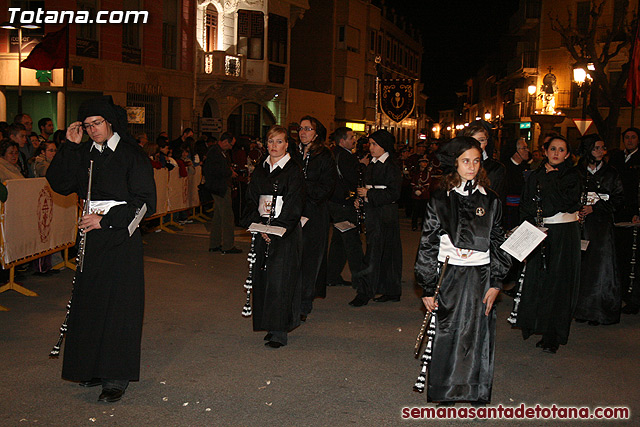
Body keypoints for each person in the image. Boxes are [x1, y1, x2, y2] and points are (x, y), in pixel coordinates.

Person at [46, 95, 157, 403]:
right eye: (86, 125)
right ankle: (92, 366)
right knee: (91, 304)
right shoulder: (84, 153)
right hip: (91, 240)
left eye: (96, 124)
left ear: (110, 122)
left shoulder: (132, 155)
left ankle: (116, 376)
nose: (92, 130)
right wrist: (69, 145)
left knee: (119, 307)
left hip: (120, 239)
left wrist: (106, 219)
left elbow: (146, 201)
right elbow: (59, 183)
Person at [415, 136, 511, 406]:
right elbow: (428, 242)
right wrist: (427, 286)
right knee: (448, 330)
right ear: (455, 163)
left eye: (476, 161)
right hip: (450, 273)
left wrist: (496, 282)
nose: (471, 166)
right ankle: (446, 390)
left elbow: (498, 241)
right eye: (465, 161)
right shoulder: (440, 199)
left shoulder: (491, 200)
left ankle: (475, 390)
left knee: (478, 331)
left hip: (481, 274)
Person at [515, 135, 582, 354]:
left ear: (568, 154)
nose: (556, 153)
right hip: (539, 231)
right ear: (545, 151)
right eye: (553, 149)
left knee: (559, 283)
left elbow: (566, 203)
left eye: (561, 150)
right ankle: (538, 325)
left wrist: (552, 181)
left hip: (564, 234)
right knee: (538, 280)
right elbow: (526, 203)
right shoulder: (535, 175)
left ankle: (553, 333)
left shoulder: (572, 175)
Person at [240, 125, 304, 348]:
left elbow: (295, 204)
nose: (274, 146)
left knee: (281, 281)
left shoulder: (293, 170)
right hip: (262, 230)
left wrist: (275, 228)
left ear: (287, 144)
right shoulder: (260, 169)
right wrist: (258, 226)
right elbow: (250, 199)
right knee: (263, 279)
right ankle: (268, 323)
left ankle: (280, 330)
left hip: (284, 233)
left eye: (279, 142)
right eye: (270, 141)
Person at [574, 134, 624, 326]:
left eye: (603, 148)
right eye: (596, 148)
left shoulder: (611, 173)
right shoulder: (577, 172)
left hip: (601, 227)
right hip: (580, 225)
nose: (601, 152)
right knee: (581, 266)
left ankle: (598, 311)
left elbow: (618, 199)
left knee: (601, 268)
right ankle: (580, 308)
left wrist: (596, 207)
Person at [353, 130, 402, 304]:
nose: (370, 147)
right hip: (374, 211)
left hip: (385, 214)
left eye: (374, 144)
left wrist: (369, 194)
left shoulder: (391, 165)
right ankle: (388, 289)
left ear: (384, 146)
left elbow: (394, 193)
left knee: (381, 252)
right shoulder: (373, 163)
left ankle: (367, 292)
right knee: (379, 251)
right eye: (370, 144)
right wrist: (362, 199)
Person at [295, 116, 336, 320]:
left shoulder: (325, 156)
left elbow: (326, 188)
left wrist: (301, 186)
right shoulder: (293, 152)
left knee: (310, 259)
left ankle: (304, 302)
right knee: (293, 258)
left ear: (316, 133)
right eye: (300, 128)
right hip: (294, 212)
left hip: (315, 212)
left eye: (308, 128)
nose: (303, 132)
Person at [326, 127, 364, 295]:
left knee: (339, 242)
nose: (354, 139)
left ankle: (332, 275)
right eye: (351, 137)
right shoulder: (346, 157)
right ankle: (360, 279)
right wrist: (362, 166)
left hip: (336, 202)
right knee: (352, 242)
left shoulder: (333, 154)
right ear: (342, 141)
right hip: (344, 204)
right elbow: (353, 177)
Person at [610, 127, 640, 315]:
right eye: (626, 137)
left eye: (633, 137)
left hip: (633, 214)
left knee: (632, 257)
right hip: (617, 213)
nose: (629, 140)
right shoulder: (617, 158)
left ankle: (632, 297)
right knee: (618, 254)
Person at [203, 132, 242, 254]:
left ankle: (214, 244)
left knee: (218, 217)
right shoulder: (215, 152)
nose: (231, 147)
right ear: (225, 141)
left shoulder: (218, 152)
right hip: (220, 187)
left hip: (219, 187)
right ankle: (228, 245)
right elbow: (215, 170)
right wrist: (230, 173)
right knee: (227, 216)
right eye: (231, 144)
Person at [462, 122, 506, 205]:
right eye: (473, 140)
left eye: (481, 140)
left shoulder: (496, 168)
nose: (478, 144)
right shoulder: (459, 165)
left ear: (486, 142)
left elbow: (497, 199)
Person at [503, 137, 530, 231]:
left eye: (527, 147)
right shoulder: (505, 169)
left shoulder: (526, 167)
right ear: (515, 151)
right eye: (524, 148)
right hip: (509, 212)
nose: (527, 150)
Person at [410, 157, 435, 231]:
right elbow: (412, 182)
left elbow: (428, 183)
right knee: (415, 211)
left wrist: (422, 190)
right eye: (423, 162)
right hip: (416, 195)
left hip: (424, 195)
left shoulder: (427, 173)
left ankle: (423, 226)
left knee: (424, 211)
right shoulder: (415, 172)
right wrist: (415, 190)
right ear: (419, 163)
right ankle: (414, 225)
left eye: (426, 162)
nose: (424, 164)